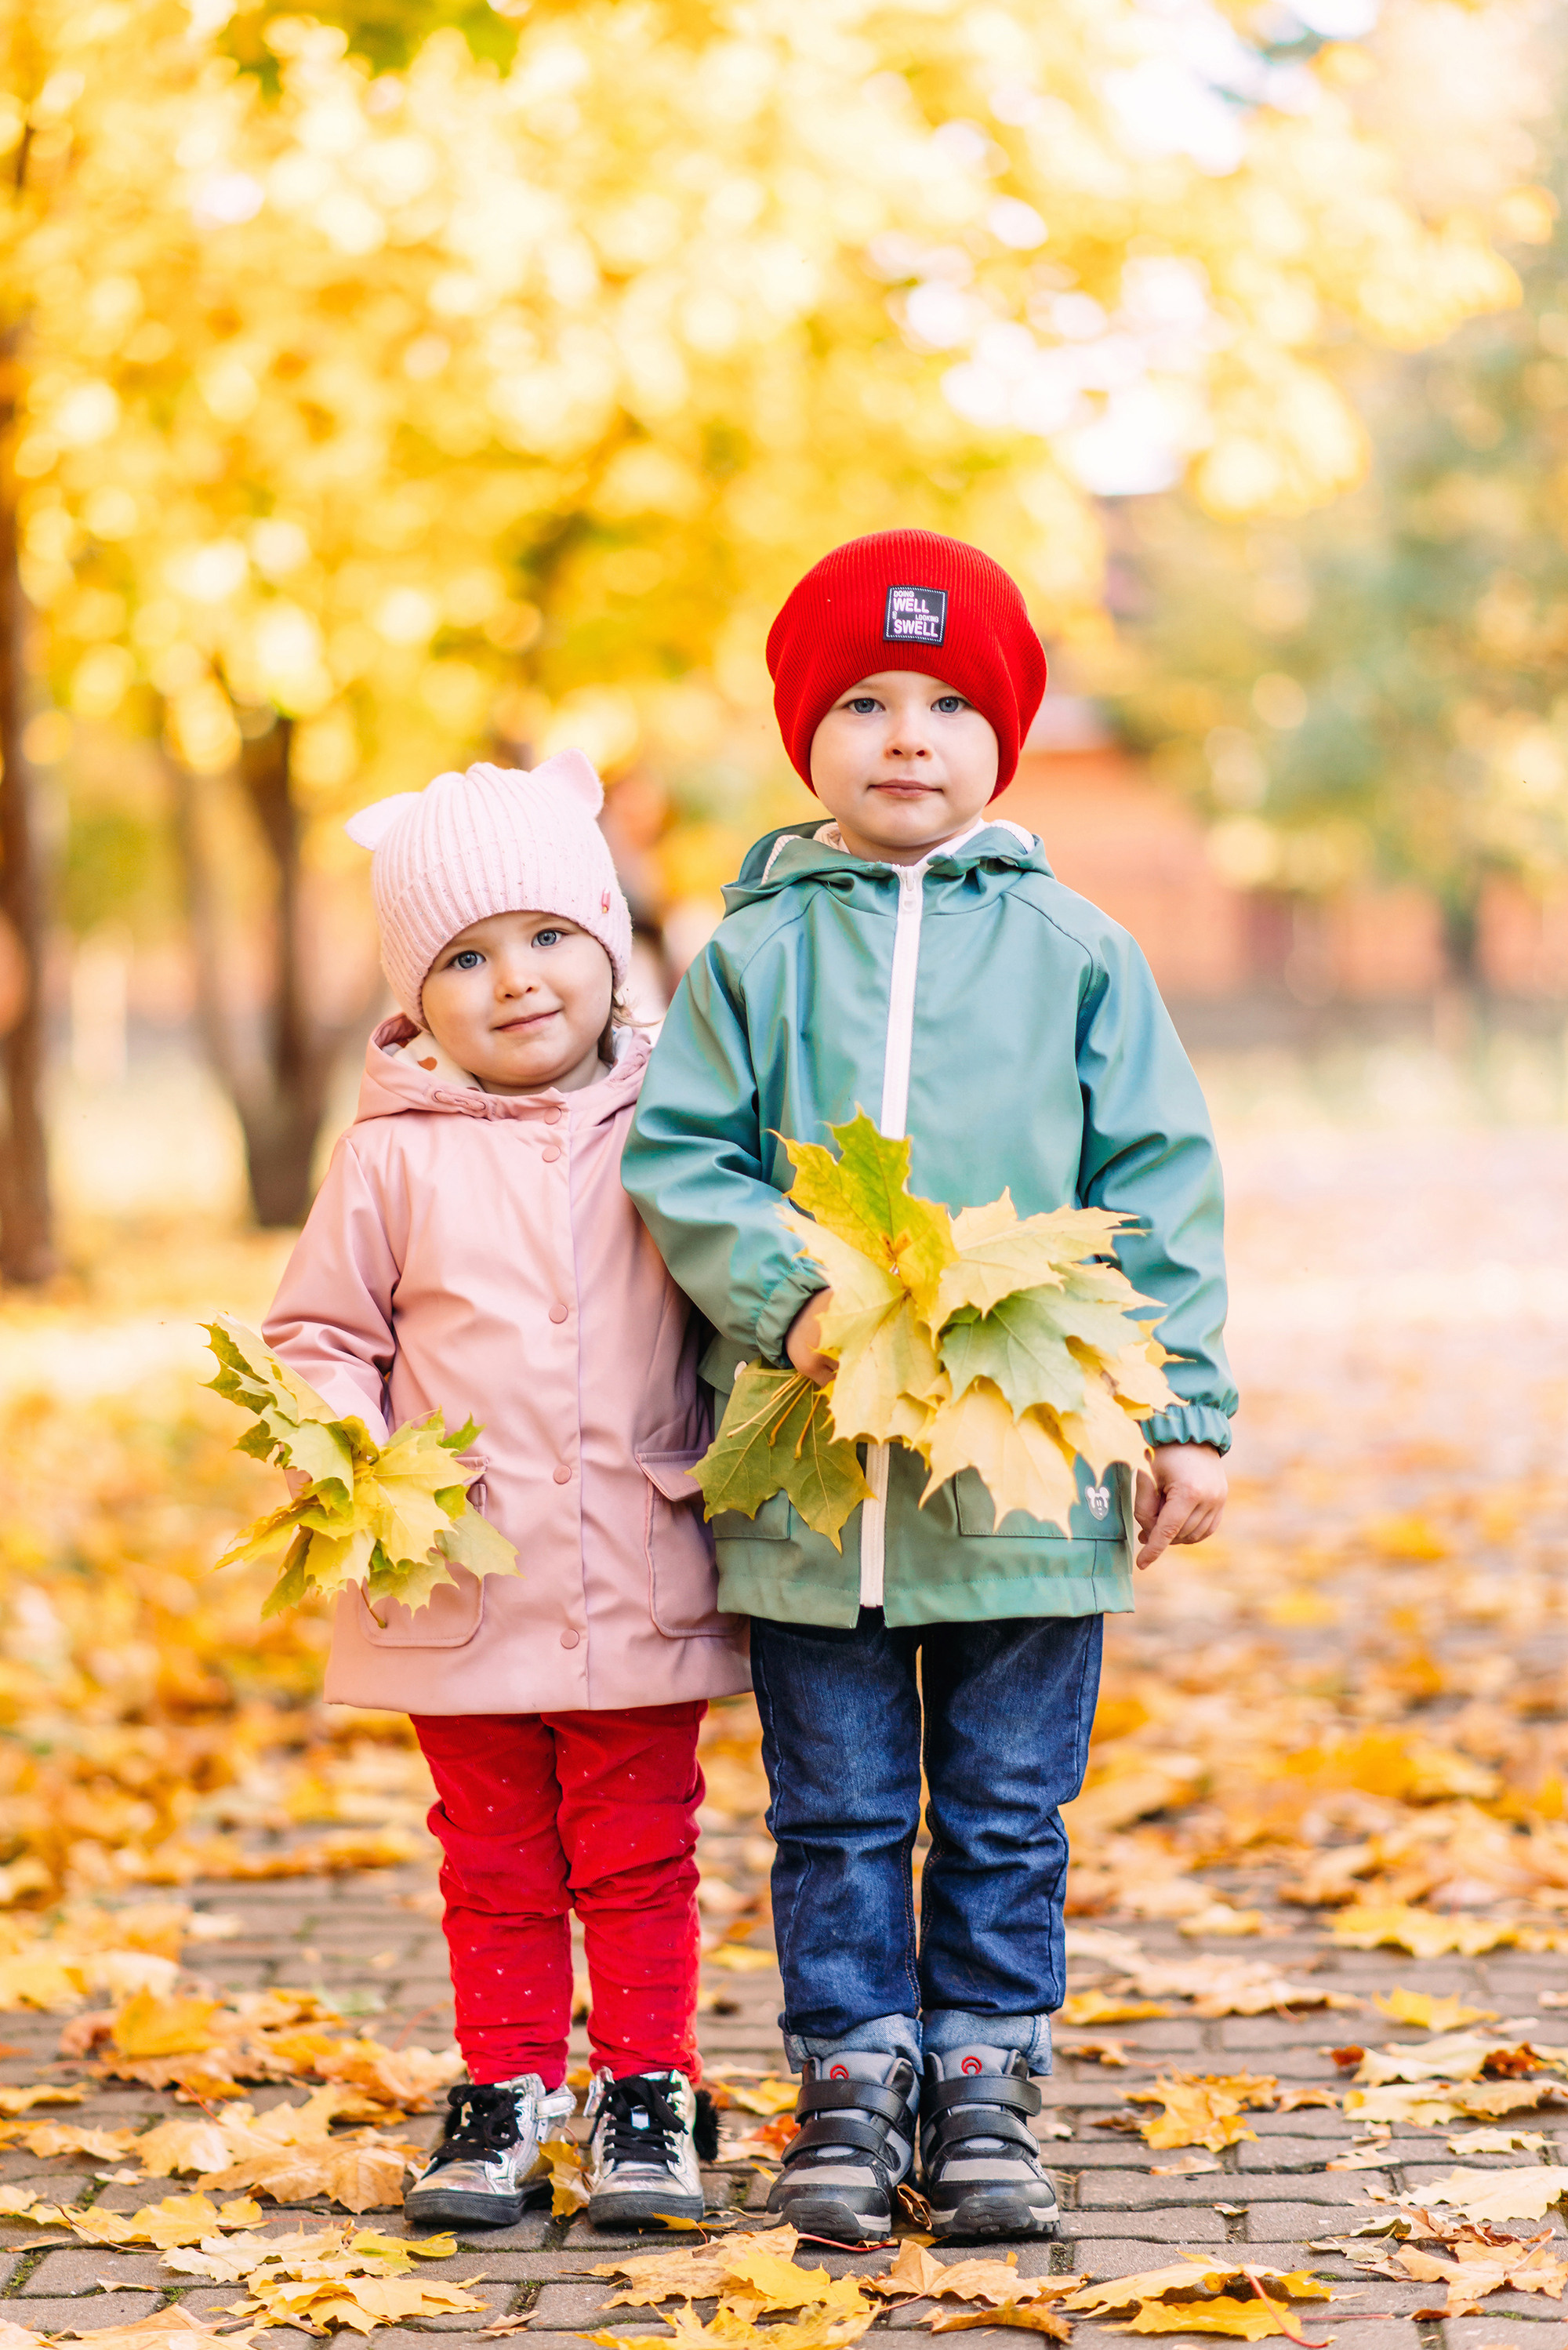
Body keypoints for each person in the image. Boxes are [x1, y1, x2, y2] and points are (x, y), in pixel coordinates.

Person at [622, 529, 1234, 2246]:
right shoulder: (754, 954)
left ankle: (982, 2077)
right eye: (867, 702)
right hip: (817, 1475)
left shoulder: (1077, 949)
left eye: (951, 703)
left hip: (1022, 1475)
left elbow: (1159, 1176)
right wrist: (785, 1287)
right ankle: (849, 2070)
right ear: (806, 736)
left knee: (1008, 1804)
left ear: (1005, 736)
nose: (909, 735)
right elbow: (684, 1159)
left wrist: (1181, 1405)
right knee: (829, 1805)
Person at [263, 754, 750, 2232]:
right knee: (491, 1853)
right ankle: (507, 2084)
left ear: (608, 937)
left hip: (639, 1555)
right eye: (465, 956)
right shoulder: (385, 1160)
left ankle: (648, 2083)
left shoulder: (677, 1128)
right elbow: (319, 1334)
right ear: (418, 996)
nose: (516, 979)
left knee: (640, 1846)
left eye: (547, 936)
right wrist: (347, 1440)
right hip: (459, 1575)